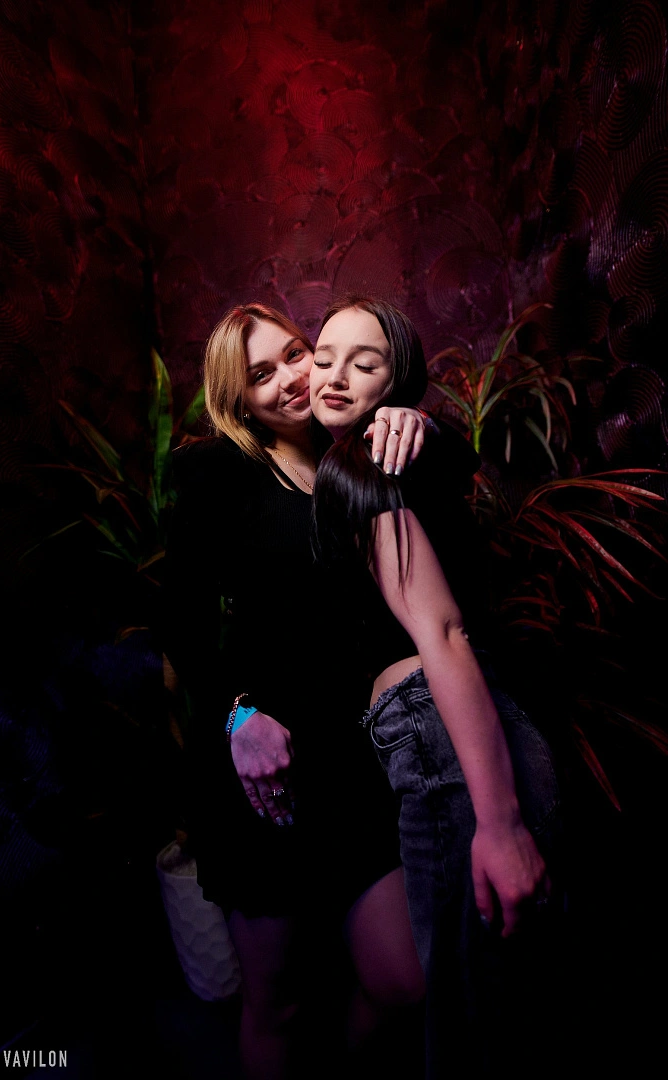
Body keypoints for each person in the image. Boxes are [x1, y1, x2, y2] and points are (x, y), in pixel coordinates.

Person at [162, 303, 432, 1080]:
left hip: (354, 762)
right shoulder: (220, 473)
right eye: (261, 374)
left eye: (295, 353)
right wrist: (239, 717)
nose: (291, 378)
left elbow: (448, 471)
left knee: (404, 980)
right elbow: (181, 628)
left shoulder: (354, 455)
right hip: (262, 774)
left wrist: (418, 423)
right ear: (238, 399)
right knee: (277, 1005)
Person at [310, 296, 562, 1078]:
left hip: (444, 735)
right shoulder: (375, 460)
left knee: (473, 1027)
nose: (335, 376)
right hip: (480, 722)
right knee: (497, 1000)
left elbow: (441, 631)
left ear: (397, 384)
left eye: (364, 363)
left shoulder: (366, 462)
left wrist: (499, 824)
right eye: (323, 356)